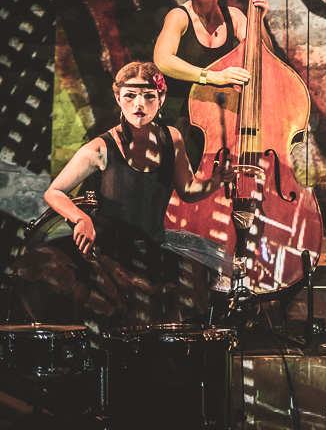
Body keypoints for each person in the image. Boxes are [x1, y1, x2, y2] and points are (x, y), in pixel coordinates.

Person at [17, 62, 231, 330]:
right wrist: (80, 218)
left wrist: (215, 182)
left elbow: (188, 191)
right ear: (118, 98)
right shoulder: (100, 147)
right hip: (109, 254)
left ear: (161, 100)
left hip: (154, 250)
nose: (139, 104)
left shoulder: (172, 139)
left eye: (148, 96)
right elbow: (54, 192)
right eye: (130, 96)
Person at [153, 0, 268, 163]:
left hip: (219, 121)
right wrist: (212, 77)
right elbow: (162, 60)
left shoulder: (234, 16)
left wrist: (259, 20)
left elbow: (262, 57)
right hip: (180, 121)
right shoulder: (179, 16)